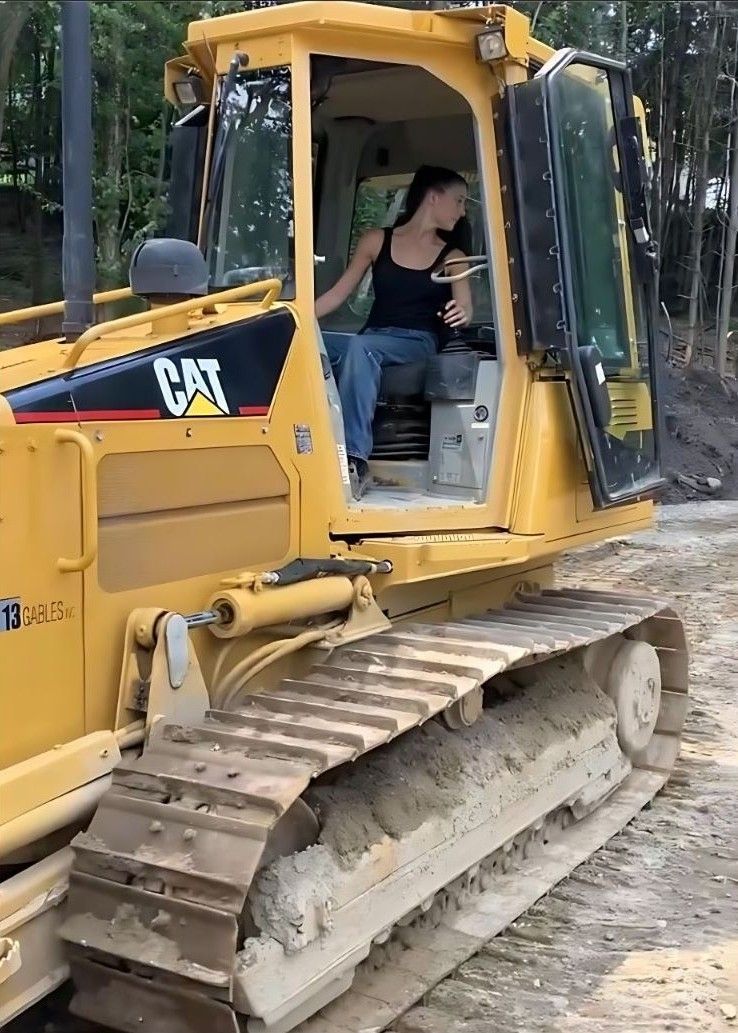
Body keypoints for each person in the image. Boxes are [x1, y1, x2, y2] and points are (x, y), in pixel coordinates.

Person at [316, 165, 473, 500]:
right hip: (373, 337)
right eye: (459, 201)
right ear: (434, 197)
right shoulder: (377, 240)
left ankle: (353, 459)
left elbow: (466, 308)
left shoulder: (454, 256)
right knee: (302, 341)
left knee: (361, 349)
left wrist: (462, 313)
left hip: (416, 342)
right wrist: (289, 318)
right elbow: (337, 295)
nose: (462, 211)